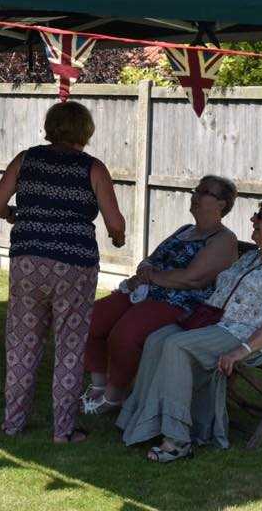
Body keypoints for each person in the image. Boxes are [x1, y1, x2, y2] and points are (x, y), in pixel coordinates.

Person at [116, 195, 262, 462]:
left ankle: (177, 439)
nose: (252, 219)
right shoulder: (252, 257)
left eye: (260, 216)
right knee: (157, 339)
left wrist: (241, 351)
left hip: (251, 337)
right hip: (218, 324)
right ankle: (141, 421)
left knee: (176, 346)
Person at [0, 100, 126, 444]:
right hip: (74, 266)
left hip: (28, 262)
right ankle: (63, 431)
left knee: (22, 344)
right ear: (85, 131)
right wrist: (118, 238)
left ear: (51, 127)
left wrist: (15, 215)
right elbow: (115, 222)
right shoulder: (93, 168)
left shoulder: (26, 159)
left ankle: (13, 424)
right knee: (70, 346)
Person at [82, 175, 238, 415]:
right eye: (196, 190)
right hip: (146, 291)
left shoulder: (223, 239)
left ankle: (115, 395)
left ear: (222, 204)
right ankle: (99, 385)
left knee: (126, 334)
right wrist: (146, 270)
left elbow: (192, 279)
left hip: (179, 302)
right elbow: (150, 259)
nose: (195, 196)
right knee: (92, 318)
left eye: (204, 192)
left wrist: (152, 276)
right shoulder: (185, 230)